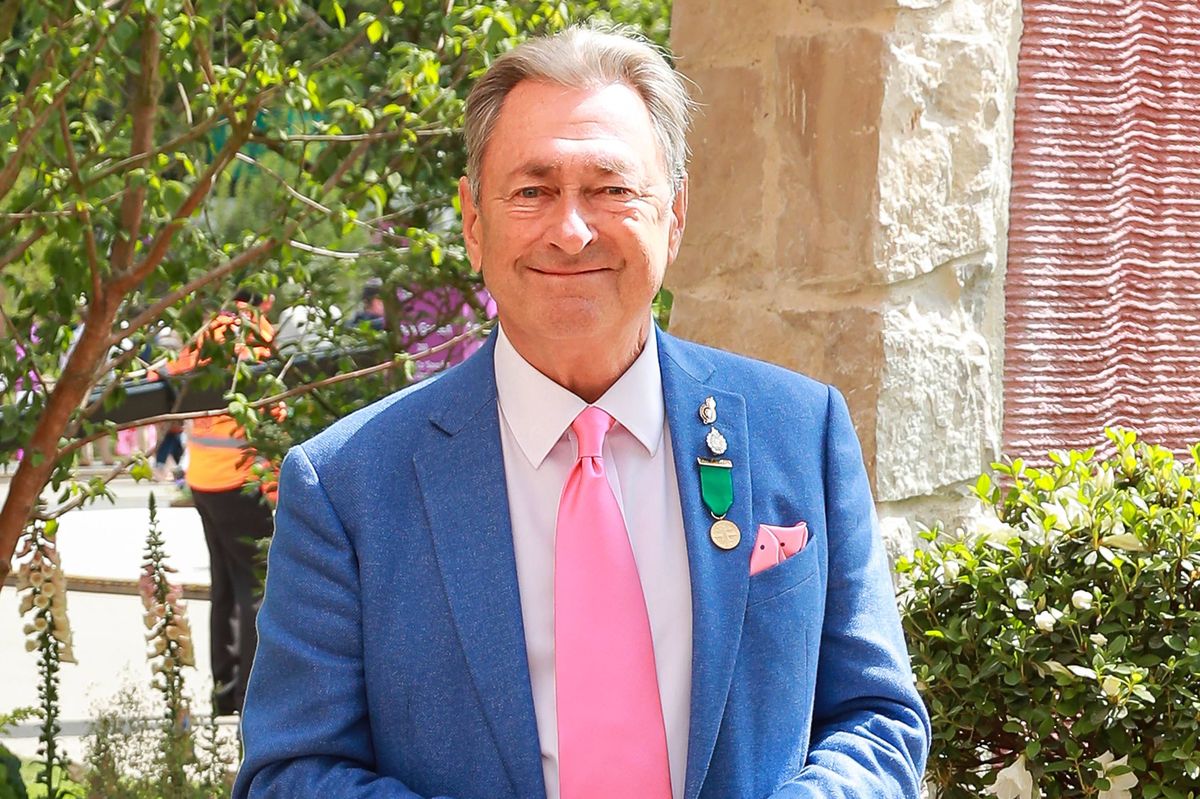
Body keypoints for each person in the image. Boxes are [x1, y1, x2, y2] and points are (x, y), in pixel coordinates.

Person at [235, 25, 930, 799]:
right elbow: (290, 771)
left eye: (610, 188)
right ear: (473, 221)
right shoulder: (347, 486)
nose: (571, 230)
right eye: (532, 191)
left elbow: (877, 716)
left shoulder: (802, 431)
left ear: (675, 214)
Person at [171, 289, 278, 716]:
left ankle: (224, 691)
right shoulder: (255, 335)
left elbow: (174, 383)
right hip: (240, 480)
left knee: (226, 586)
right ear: (262, 302)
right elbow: (271, 410)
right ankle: (250, 696)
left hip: (202, 478)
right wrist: (273, 485)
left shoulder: (204, 334)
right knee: (256, 588)